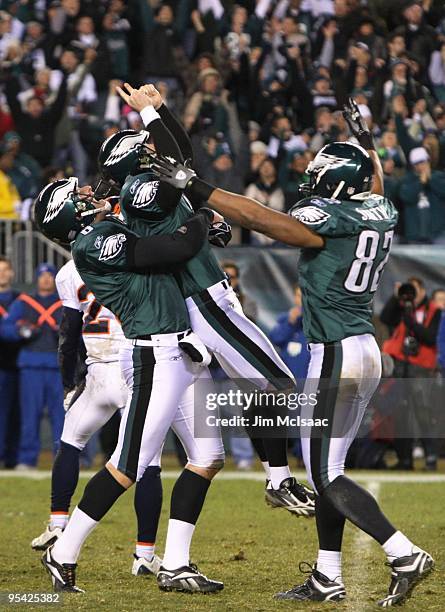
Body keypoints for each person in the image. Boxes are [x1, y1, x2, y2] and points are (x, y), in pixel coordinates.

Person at [149, 99, 434, 607]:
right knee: (332, 467)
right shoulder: (379, 209)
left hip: (337, 353)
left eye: (323, 178)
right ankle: (328, 576)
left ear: (338, 188)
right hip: (363, 347)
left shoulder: (327, 220)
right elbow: (375, 185)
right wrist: (366, 144)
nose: (314, 184)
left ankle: (403, 553)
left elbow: (260, 218)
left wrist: (195, 187)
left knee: (325, 473)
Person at [98, 83, 315, 518]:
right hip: (205, 303)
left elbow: (183, 161)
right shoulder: (139, 189)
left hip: (204, 303)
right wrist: (149, 117)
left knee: (253, 401)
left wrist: (160, 109)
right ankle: (279, 479)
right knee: (275, 383)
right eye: (146, 149)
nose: (154, 152)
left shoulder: (148, 183)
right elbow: (180, 163)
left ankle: (277, 478)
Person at [34, 177, 225, 594]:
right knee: (129, 464)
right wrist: (203, 215)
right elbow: (176, 247)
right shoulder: (94, 242)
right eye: (80, 196)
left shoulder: (107, 230)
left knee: (208, 456)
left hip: (178, 348)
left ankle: (174, 564)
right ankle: (63, 552)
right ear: (70, 214)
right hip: (152, 355)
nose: (90, 194)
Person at [30, 258, 163, 578]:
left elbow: (69, 333)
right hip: (135, 368)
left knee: (70, 442)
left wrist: (68, 381)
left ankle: (58, 524)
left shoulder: (68, 271)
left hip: (97, 371)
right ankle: (145, 555)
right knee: (149, 462)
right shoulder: (138, 251)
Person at [0, 263, 64, 469]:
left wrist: (63, 332)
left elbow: (78, 331)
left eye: (49, 276)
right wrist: (21, 331)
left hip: (56, 366)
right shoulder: (25, 302)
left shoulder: (64, 302)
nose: (46, 279)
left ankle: (62, 459)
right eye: (42, 275)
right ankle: (27, 459)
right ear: (37, 278)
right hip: (30, 365)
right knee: (30, 416)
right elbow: (6, 329)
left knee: (60, 417)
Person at [380, 277, 440, 471]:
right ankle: (404, 459)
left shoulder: (434, 310)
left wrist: (411, 322)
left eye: (414, 290)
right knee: (400, 413)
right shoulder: (401, 307)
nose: (411, 294)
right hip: (399, 366)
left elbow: (430, 338)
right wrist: (395, 298)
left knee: (422, 412)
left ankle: (430, 458)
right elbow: (385, 318)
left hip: (421, 369)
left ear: (423, 291)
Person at [0, 257, 21, 468]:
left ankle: (12, 458)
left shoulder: (21, 299)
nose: (2, 274)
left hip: (16, 365)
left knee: (16, 415)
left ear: (12, 273)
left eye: (6, 270)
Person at [269, 285, 310, 381]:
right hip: (288, 382)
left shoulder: (318, 324)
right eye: (298, 296)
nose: (301, 300)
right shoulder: (286, 319)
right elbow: (275, 339)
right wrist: (290, 323)